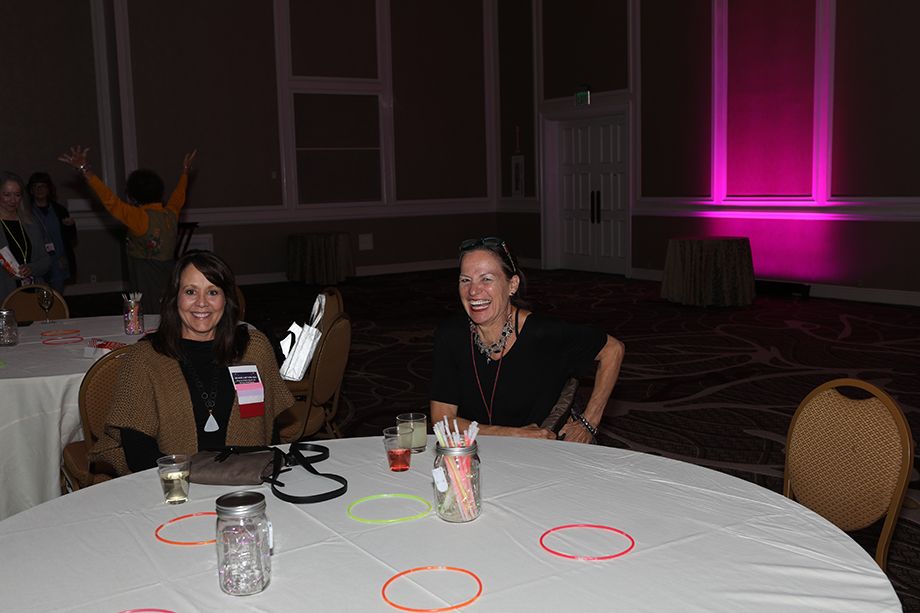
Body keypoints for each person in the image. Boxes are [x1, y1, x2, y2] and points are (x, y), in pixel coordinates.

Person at [90, 250, 295, 476]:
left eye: (212, 292)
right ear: (174, 298)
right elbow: (137, 451)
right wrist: (191, 479)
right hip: (175, 484)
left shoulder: (254, 349)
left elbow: (270, 426)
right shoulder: (144, 358)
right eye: (190, 292)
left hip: (248, 478)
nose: (202, 303)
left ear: (226, 299)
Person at [430, 237, 625, 444]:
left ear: (512, 285)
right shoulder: (451, 335)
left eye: (486, 279)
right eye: (465, 280)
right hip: (477, 449)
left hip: (540, 452)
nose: (473, 291)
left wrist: (589, 421)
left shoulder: (542, 333)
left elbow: (613, 349)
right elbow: (442, 422)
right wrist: (515, 434)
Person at [58, 145, 197, 314]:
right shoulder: (171, 213)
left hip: (147, 280)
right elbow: (179, 195)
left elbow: (110, 201)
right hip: (169, 276)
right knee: (168, 310)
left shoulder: (138, 217)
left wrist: (85, 170)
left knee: (151, 314)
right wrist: (184, 173)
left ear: (132, 196)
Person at [0, 171, 51, 303]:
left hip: (33, 292)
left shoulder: (31, 223)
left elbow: (46, 260)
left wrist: (31, 268)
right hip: (5, 294)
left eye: (17, 195)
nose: (13, 200)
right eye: (7, 195)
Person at [26, 172, 77, 293]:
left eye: (43, 186)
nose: (39, 189)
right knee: (37, 297)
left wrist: (71, 226)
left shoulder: (60, 210)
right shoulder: (26, 212)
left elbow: (71, 238)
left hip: (57, 263)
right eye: (35, 186)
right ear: (31, 190)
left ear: (49, 189)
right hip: (36, 264)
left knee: (57, 297)